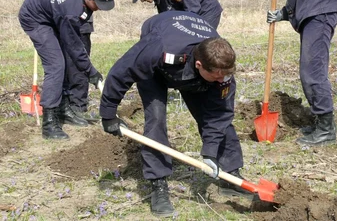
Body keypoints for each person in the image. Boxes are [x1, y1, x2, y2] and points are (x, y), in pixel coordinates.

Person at [99, 11, 251, 217]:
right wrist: (108, 113)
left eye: (224, 75)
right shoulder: (156, 48)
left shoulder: (220, 72)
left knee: (221, 119)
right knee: (156, 119)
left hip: (194, 70)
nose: (220, 79)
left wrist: (209, 152)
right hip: (158, 67)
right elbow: (121, 72)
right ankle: (158, 185)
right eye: (216, 76)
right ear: (199, 65)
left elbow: (220, 114)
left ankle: (229, 175)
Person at [19, 0, 114, 139]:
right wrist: (91, 72)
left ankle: (63, 109)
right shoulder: (70, 10)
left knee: (64, 61)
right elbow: (75, 47)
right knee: (56, 65)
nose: (98, 8)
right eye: (96, 3)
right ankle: (49, 123)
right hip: (35, 18)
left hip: (52, 9)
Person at [266, 0, 337, 146]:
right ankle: (320, 121)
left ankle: (326, 129)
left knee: (312, 72)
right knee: (309, 72)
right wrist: (285, 13)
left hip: (320, 11)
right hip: (311, 13)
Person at [32, 0, 99, 121]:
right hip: (52, 18)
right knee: (57, 64)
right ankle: (59, 106)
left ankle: (77, 107)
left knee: (77, 63)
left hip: (79, 20)